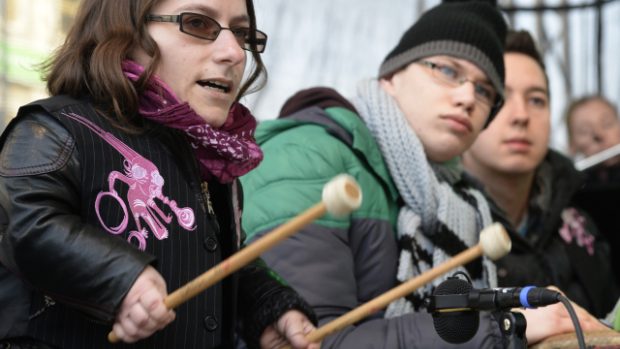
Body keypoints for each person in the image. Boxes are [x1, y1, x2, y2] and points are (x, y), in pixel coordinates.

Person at [240, 2, 606, 348]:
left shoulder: (456, 197)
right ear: (390, 76)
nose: (467, 97)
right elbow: (315, 340)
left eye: (484, 90)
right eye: (448, 70)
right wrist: (505, 327)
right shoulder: (308, 154)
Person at [0, 0, 319, 348]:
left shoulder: (212, 160)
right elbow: (23, 224)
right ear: (124, 32)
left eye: (241, 33)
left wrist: (271, 307)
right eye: (198, 24)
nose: (234, 53)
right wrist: (122, 278)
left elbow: (225, 264)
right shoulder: (57, 130)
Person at [461, 30, 619, 319]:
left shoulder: (580, 229)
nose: (521, 115)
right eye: (499, 97)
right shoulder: (436, 230)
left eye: (536, 100)